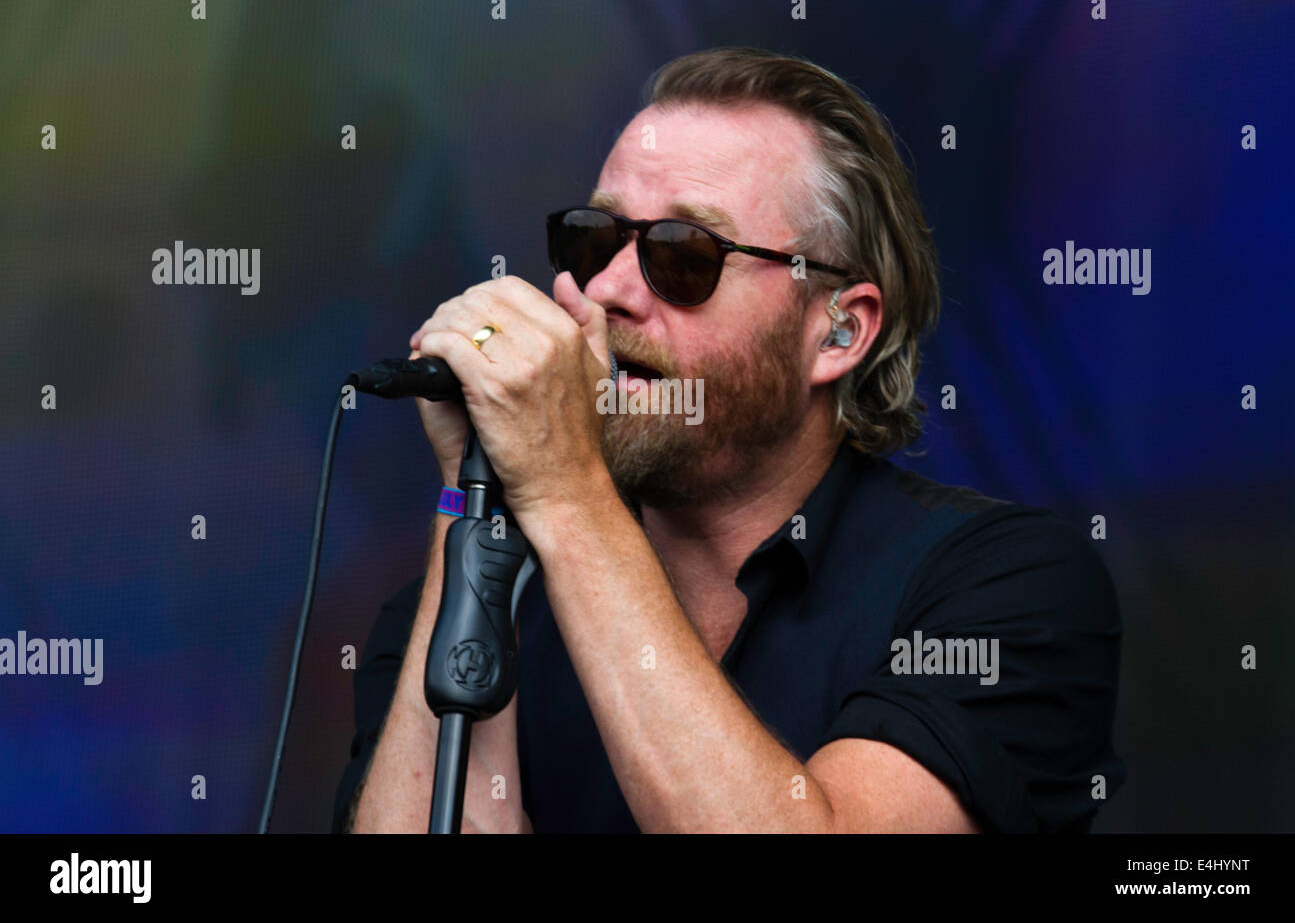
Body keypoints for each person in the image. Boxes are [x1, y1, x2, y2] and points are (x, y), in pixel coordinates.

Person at [333, 46, 1124, 833]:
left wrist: (564, 489)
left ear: (839, 331)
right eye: (594, 240)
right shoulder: (466, 597)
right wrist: (474, 497)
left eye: (683, 255)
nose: (608, 291)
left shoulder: (1008, 586)